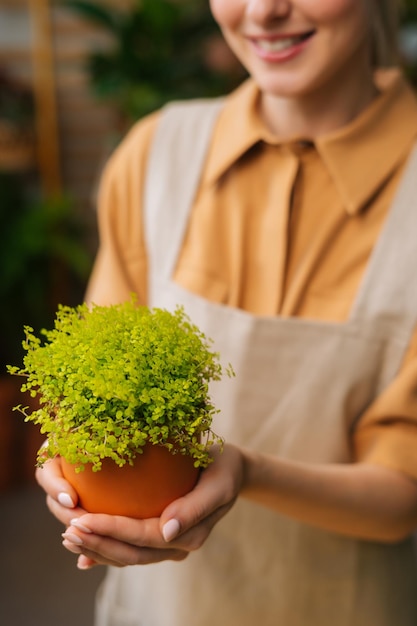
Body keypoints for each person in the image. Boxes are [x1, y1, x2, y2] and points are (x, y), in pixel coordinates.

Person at [36, 1, 417, 624]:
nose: (264, 10)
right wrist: (69, 472)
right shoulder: (155, 155)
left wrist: (250, 472)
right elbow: (84, 390)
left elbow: (405, 490)